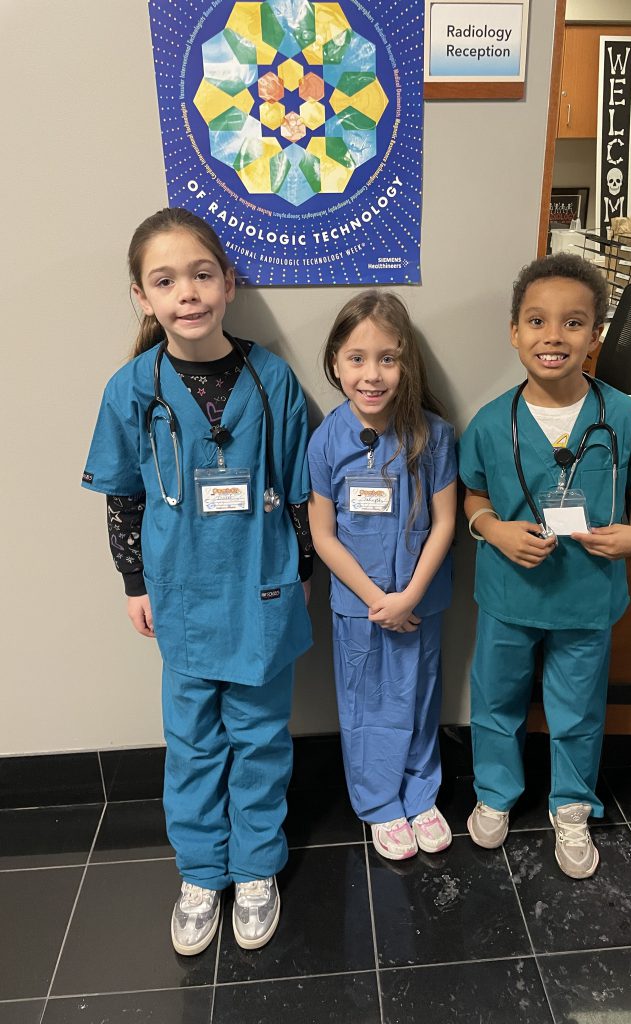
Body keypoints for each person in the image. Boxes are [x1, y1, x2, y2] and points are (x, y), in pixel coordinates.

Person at [82, 208, 313, 954]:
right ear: (142, 296)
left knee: (260, 740)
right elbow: (124, 497)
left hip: (261, 588)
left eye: (202, 274)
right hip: (181, 593)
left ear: (229, 283)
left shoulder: (271, 378)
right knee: (192, 745)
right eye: (165, 280)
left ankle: (255, 868)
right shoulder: (133, 388)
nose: (187, 292)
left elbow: (300, 490)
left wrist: (304, 571)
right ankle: (201, 873)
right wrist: (133, 582)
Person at [459, 254, 631, 878]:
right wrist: (493, 529)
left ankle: (573, 805)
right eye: (537, 321)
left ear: (595, 336)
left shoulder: (623, 417)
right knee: (496, 698)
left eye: (573, 323)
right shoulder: (491, 422)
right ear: (514, 332)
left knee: (578, 707)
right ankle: (495, 793)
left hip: (587, 594)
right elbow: (472, 495)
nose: (553, 336)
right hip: (510, 591)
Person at [308, 291, 457, 860]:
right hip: (360, 606)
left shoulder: (434, 436)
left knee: (420, 695)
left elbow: (445, 523)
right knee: (365, 703)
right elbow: (323, 535)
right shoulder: (327, 441)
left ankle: (420, 795)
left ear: (406, 363)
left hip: (421, 600)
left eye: (387, 358)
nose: (371, 374)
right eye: (356, 358)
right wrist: (378, 599)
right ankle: (379, 804)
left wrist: (410, 595)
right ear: (336, 362)